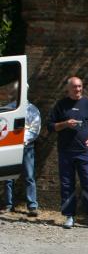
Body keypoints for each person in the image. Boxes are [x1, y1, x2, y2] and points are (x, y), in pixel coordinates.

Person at [47, 76, 88, 230]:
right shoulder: (61, 105)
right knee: (67, 184)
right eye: (75, 87)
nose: (78, 89)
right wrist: (65, 124)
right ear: (68, 88)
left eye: (80, 86)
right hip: (66, 152)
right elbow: (50, 126)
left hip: (84, 152)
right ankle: (69, 216)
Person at [1, 82, 40, 216]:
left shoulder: (32, 110)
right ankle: (8, 205)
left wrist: (21, 141)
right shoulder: (7, 109)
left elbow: (35, 130)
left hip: (26, 146)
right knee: (8, 176)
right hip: (10, 146)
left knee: (29, 176)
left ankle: (32, 206)